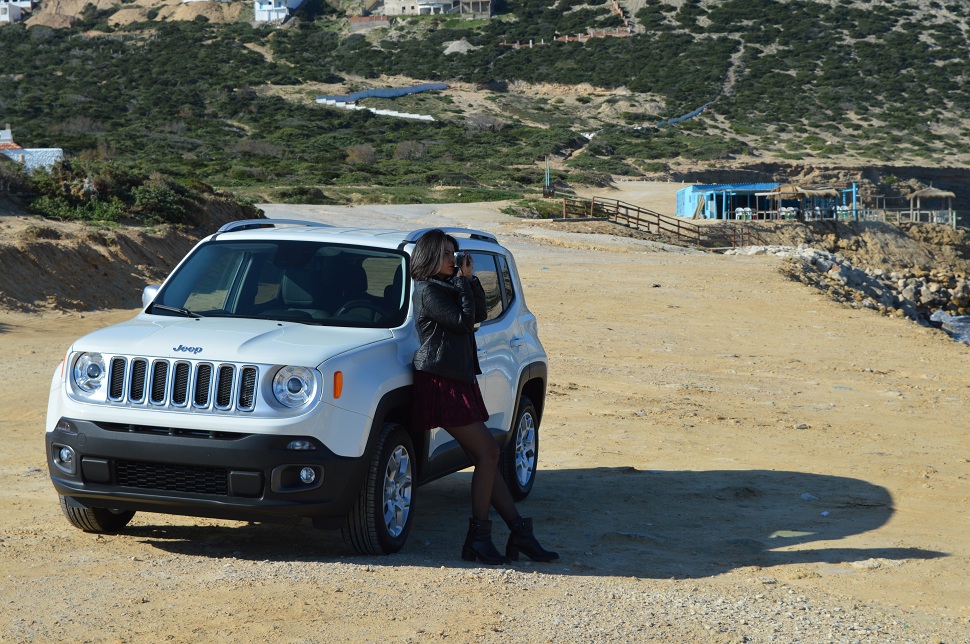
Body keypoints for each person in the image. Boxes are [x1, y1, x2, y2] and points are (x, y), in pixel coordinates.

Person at [410, 229, 559, 565]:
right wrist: (463, 280)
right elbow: (462, 322)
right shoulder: (428, 290)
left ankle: (520, 533)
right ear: (432, 257)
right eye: (448, 255)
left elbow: (477, 315)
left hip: (457, 379)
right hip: (440, 381)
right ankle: (479, 537)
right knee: (489, 452)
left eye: (455, 254)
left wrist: (469, 279)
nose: (455, 260)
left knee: (487, 456)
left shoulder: (446, 286)